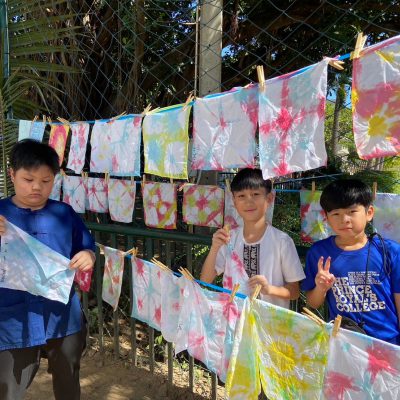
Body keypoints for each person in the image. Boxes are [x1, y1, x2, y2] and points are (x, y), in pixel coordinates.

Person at [0, 139, 96, 400]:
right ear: (12, 174)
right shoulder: (1, 214)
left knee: (68, 380)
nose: (36, 187)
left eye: (45, 181)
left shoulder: (64, 213)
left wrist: (88, 255)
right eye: (28, 179)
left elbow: (86, 246)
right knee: (8, 386)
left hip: (61, 316)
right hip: (12, 319)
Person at [302, 179, 400, 344]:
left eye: (352, 211)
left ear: (369, 213)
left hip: (387, 343)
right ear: (326, 218)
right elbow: (313, 303)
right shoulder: (319, 253)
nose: (344, 219)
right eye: (336, 214)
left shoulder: (390, 251)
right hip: (344, 344)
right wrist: (320, 288)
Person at [200, 168, 305, 309]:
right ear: (234, 202)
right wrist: (214, 248)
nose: (248, 202)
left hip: (269, 322)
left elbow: (294, 291)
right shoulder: (229, 238)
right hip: (234, 319)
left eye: (255, 194)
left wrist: (269, 289)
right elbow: (205, 280)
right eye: (241, 196)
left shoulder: (282, 241)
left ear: (269, 199)